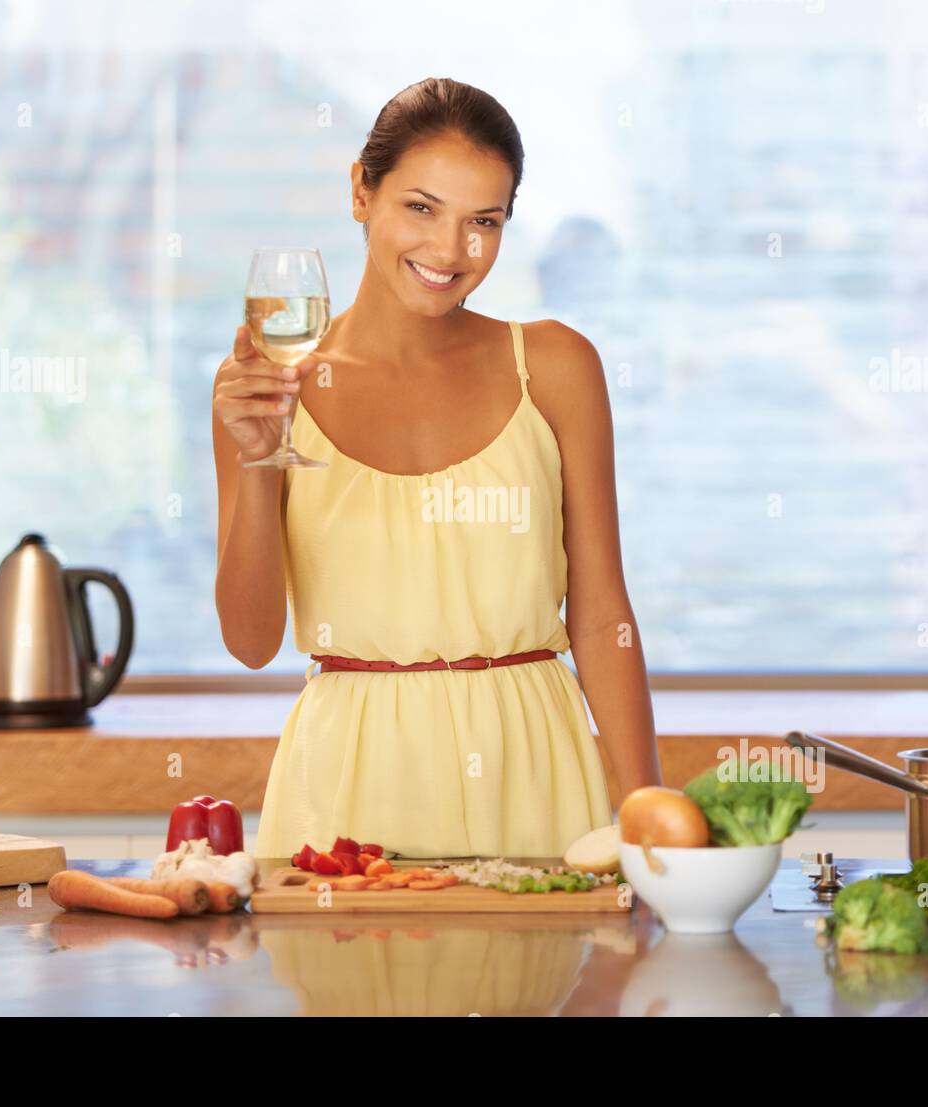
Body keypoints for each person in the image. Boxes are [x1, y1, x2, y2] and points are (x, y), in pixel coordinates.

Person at [213, 77, 659, 859]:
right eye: (421, 208)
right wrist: (258, 460)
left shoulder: (554, 366)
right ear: (362, 190)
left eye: (482, 221)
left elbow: (601, 614)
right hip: (343, 794)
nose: (451, 251)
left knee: (546, 980)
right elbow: (252, 640)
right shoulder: (268, 384)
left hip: (536, 775)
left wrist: (651, 820)